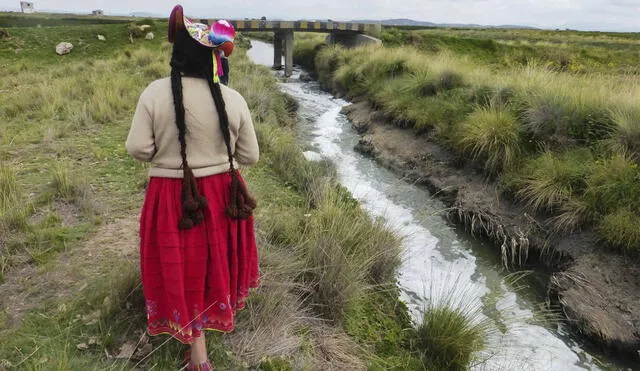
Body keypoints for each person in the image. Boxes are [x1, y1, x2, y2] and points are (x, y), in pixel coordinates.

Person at [125, 5, 259, 370]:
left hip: (173, 198)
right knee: (212, 264)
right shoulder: (233, 100)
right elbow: (250, 156)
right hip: (224, 197)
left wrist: (165, 154)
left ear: (178, 55)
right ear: (215, 59)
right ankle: (201, 348)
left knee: (183, 267)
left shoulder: (154, 93)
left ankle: (197, 355)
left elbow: (138, 148)